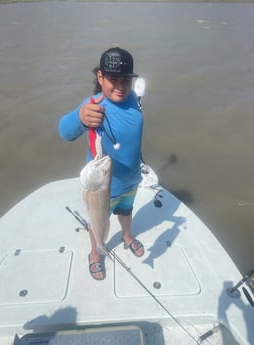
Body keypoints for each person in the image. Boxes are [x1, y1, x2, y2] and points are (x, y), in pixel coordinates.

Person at [59, 47, 144, 280]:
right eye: (112, 79)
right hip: (102, 188)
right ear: (100, 77)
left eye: (125, 79)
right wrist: (80, 118)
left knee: (127, 211)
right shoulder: (94, 105)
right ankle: (95, 253)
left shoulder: (133, 100)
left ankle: (127, 236)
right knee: (98, 222)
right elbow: (64, 131)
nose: (119, 85)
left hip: (132, 179)